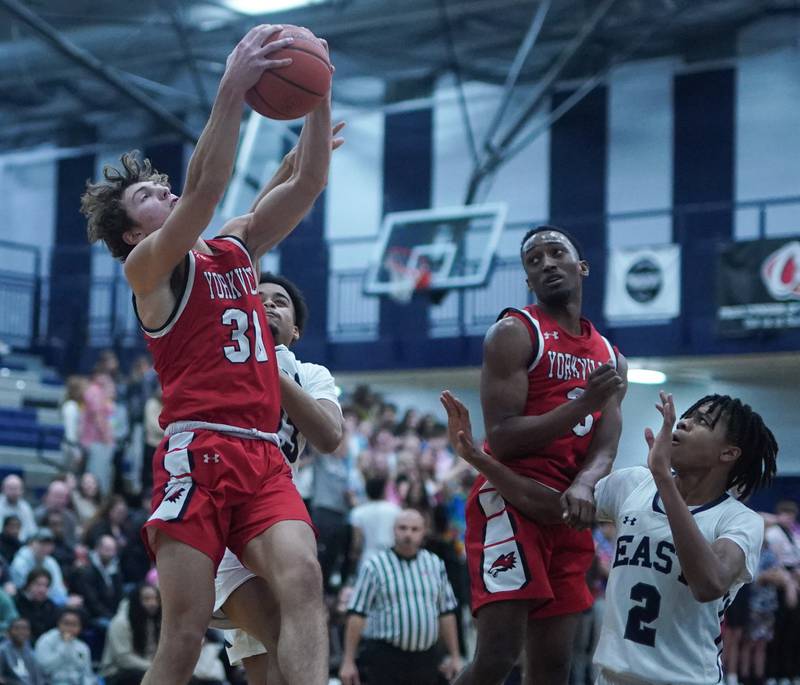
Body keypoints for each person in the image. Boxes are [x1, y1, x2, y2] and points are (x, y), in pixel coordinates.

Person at [80, 23, 336, 685]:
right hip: (198, 453)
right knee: (183, 638)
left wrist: (319, 94)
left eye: (161, 186)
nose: (163, 193)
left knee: (305, 582)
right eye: (146, 197)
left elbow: (309, 180)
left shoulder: (234, 248)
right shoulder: (147, 270)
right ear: (132, 233)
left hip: (262, 456)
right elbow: (204, 191)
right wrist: (233, 87)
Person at [442, 390, 779, 685]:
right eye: (688, 416)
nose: (685, 423)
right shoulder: (632, 484)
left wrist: (663, 478)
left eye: (702, 421)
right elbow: (553, 508)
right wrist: (478, 458)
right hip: (611, 678)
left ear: (728, 454)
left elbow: (709, 584)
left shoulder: (740, 520)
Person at [447, 226, 627, 685]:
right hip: (510, 503)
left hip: (565, 511)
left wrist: (585, 482)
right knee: (497, 657)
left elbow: (607, 440)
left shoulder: (610, 356)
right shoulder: (514, 332)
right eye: (533, 260)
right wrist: (582, 405)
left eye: (555, 252)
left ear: (581, 266)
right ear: (528, 280)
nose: (546, 263)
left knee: (553, 666)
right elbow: (503, 438)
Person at [213, 272, 344, 684]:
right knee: (274, 644)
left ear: (296, 330)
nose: (268, 303)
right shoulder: (221, 357)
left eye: (280, 301)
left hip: (274, 511)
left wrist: (273, 369)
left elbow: (329, 436)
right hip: (220, 505)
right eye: (260, 298)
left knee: (286, 652)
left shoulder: (312, 374)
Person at [339, 509, 462, 685]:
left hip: (426, 658)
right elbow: (357, 614)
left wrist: (455, 656)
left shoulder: (435, 564)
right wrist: (348, 660)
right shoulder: (375, 566)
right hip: (386, 657)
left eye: (414, 529)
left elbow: (446, 612)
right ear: (393, 530)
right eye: (402, 528)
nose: (408, 534)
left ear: (424, 532)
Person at [100, 584, 161, 685]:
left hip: (146, 668)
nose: (153, 603)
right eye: (147, 599)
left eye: (156, 599)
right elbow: (124, 659)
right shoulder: (120, 622)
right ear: (136, 600)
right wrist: (154, 668)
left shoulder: (152, 621)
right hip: (116, 672)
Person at [349, 475, 401, 575]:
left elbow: (357, 541)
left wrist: (354, 556)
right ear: (383, 491)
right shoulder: (395, 510)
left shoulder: (358, 512)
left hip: (367, 557)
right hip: (391, 557)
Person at [34, 608, 95, 685]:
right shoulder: (46, 640)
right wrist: (65, 647)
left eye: (74, 625)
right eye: (66, 623)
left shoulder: (82, 647)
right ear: (58, 624)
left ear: (80, 627)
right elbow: (44, 669)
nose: (70, 628)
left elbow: (87, 673)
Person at [0, 616, 46, 685]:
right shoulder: (2, 650)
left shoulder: (30, 652)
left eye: (25, 628)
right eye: (17, 628)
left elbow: (38, 678)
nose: (21, 632)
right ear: (8, 632)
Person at [0, 476, 37, 542]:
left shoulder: (25, 507)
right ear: (3, 489)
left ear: (22, 491)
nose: (14, 492)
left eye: (16, 489)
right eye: (10, 488)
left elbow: (32, 531)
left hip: (21, 543)